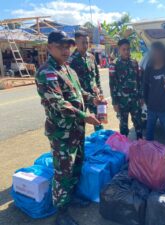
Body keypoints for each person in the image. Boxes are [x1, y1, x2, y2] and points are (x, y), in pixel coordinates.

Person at [35, 31, 102, 225]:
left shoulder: (68, 70)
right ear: (49, 48)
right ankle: (61, 212)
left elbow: (79, 93)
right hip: (61, 132)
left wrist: (92, 99)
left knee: (77, 166)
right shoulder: (46, 72)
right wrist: (84, 115)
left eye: (67, 46)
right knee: (63, 172)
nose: (65, 50)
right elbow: (58, 102)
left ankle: (71, 197)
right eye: (60, 46)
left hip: (77, 130)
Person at [143, 42, 165, 151]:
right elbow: (145, 87)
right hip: (152, 108)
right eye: (153, 52)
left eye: (158, 52)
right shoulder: (149, 69)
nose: (156, 55)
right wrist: (145, 102)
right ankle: (149, 156)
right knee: (149, 134)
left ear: (163, 53)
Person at [69, 31, 104, 131]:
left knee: (99, 122)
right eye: (83, 42)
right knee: (79, 126)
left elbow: (96, 77)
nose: (85, 45)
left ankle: (100, 144)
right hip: (81, 98)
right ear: (76, 43)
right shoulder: (71, 61)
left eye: (87, 42)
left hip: (94, 97)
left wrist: (100, 92)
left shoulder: (92, 57)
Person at [109, 39, 143, 139]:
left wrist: (141, 96)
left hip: (135, 99)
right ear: (119, 50)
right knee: (123, 126)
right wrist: (114, 102)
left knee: (138, 123)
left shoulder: (134, 63)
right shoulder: (114, 64)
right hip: (121, 101)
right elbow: (112, 84)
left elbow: (139, 80)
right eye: (124, 49)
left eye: (128, 49)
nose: (126, 52)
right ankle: (124, 147)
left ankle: (140, 145)